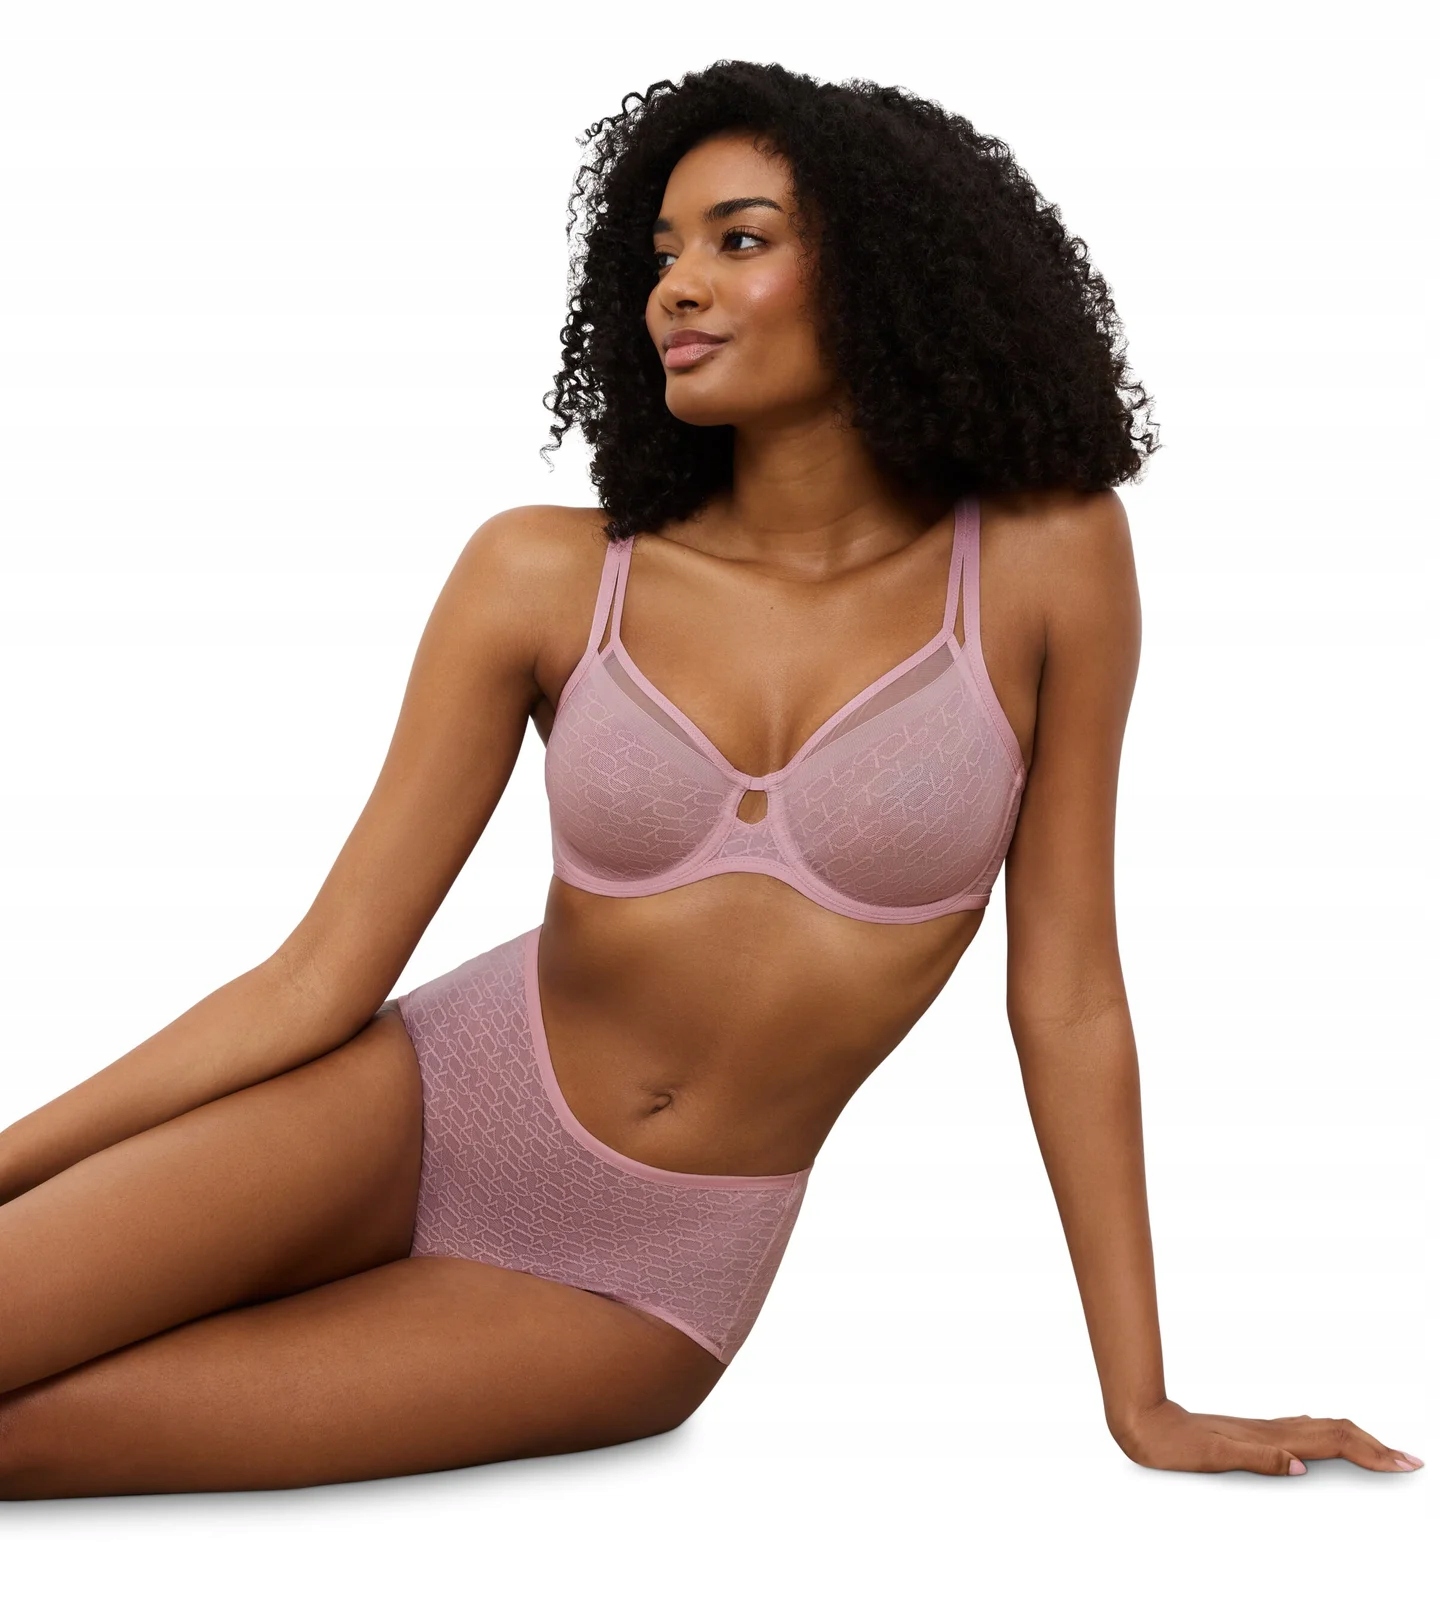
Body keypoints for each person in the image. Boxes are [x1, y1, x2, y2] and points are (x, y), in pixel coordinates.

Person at [0, 60, 1421, 1499]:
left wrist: (1142, 1400)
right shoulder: (545, 572)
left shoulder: (1048, 559)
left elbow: (1068, 997)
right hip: (422, 1107)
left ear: (884, 271)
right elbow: (316, 977)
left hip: (644, 1275)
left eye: (740, 240)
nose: (676, 285)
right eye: (662, 252)